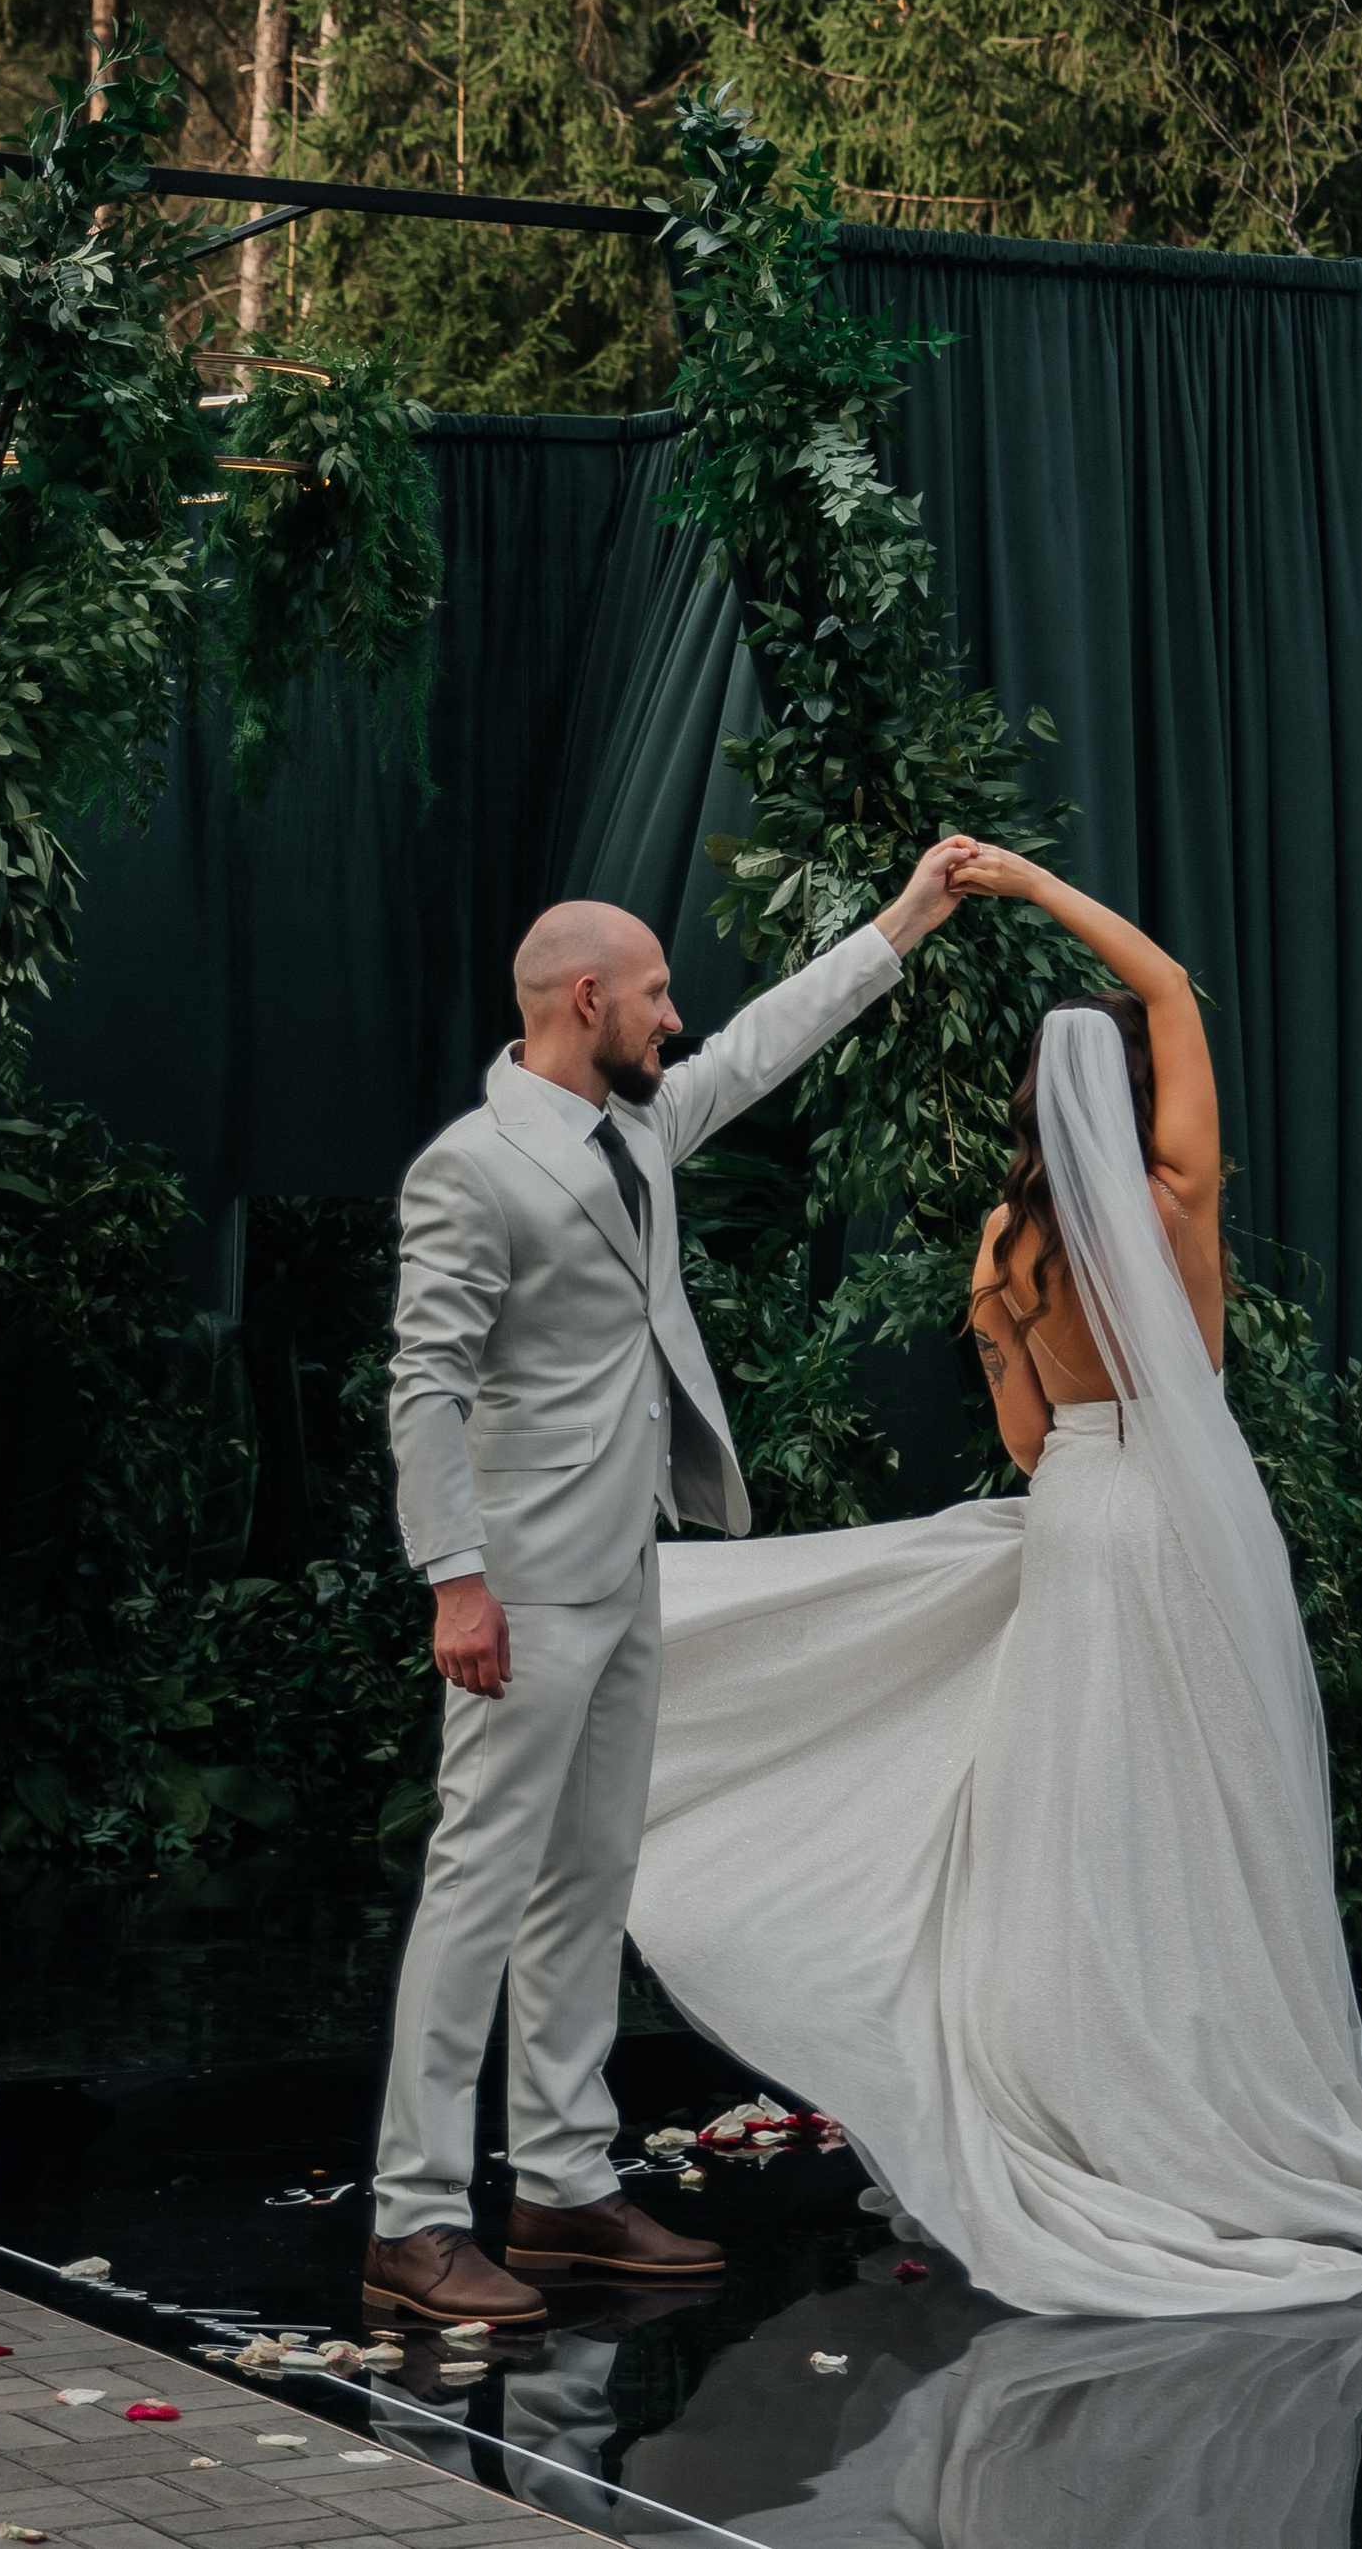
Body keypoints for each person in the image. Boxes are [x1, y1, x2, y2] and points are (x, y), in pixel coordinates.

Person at [630, 848, 1362, 2317]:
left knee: (1072, 1818)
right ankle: (1217, 2095)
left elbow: (1021, 1438)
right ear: (1131, 1104)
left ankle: (1059, 2092)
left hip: (1074, 1512)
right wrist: (1034, 885)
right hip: (1183, 1512)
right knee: (1206, 1812)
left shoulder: (1003, 1249)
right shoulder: (1179, 1205)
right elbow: (1171, 982)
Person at [364, 840, 974, 2335]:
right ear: (585, 998)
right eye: (652, 992)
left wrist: (900, 920)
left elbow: (765, 1041)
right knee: (477, 1889)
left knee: (588, 1880)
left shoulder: (635, 1128)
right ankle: (413, 2216)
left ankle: (563, 2185)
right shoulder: (470, 1165)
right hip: (518, 1583)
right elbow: (423, 1385)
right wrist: (454, 1582)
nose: (676, 1013)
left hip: (628, 1565)